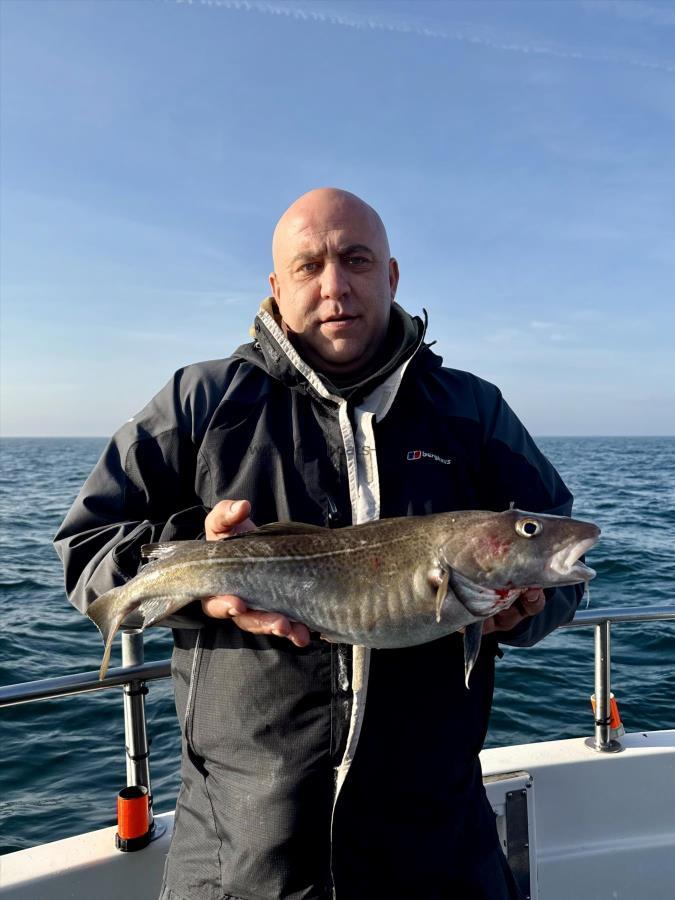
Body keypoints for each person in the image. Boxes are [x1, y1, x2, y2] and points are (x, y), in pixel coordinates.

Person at [55, 188, 582, 900]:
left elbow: (560, 561)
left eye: (355, 259)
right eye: (308, 266)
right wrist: (199, 581)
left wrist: (530, 611)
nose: (334, 286)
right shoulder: (202, 401)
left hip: (436, 845)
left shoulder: (470, 410)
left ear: (390, 276)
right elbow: (88, 545)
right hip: (242, 852)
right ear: (276, 287)